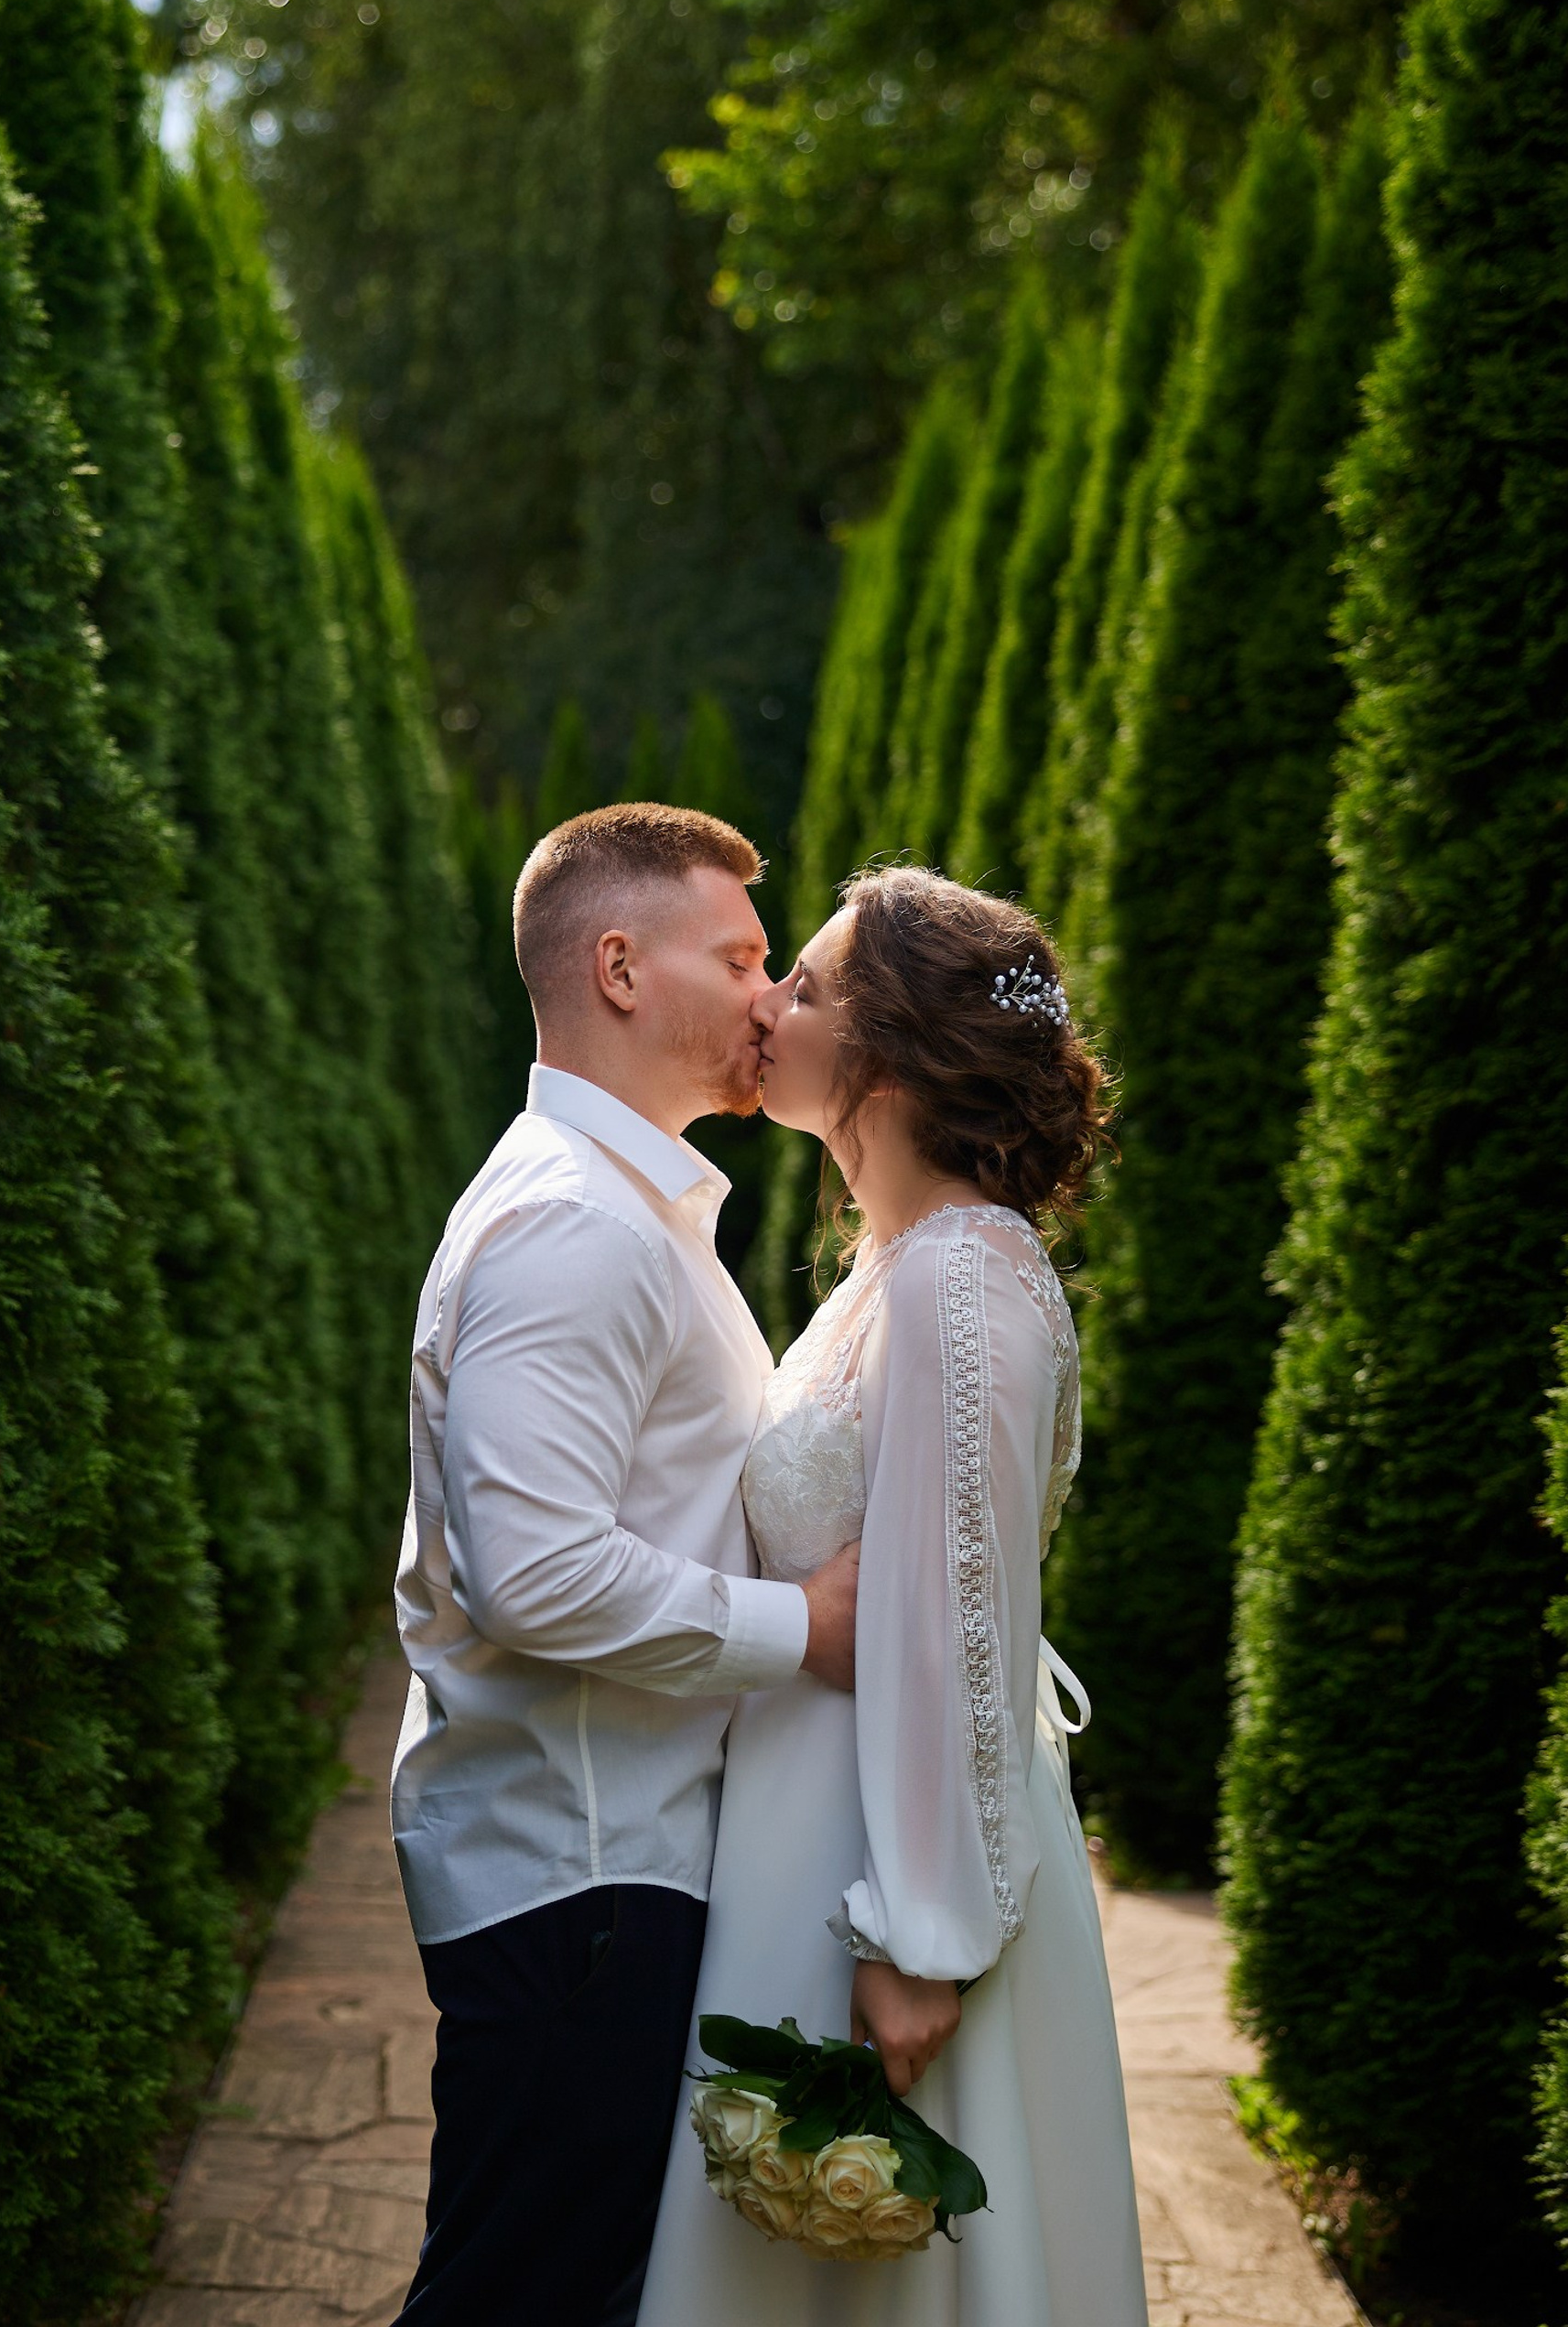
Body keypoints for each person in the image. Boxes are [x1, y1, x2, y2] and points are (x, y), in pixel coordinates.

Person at [638, 863, 1148, 2324]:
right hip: (814, 1817)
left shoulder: (958, 1283)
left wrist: (921, 1943)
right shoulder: (893, 1271)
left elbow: (963, 1629)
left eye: (803, 980)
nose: (768, 1001)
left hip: (888, 1860)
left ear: (891, 1040)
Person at [389, 804, 864, 2326]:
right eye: (739, 955)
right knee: (518, 2297)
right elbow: (533, 1574)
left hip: (610, 1864)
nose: (770, 994)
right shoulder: (575, 1226)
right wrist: (802, 1627)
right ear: (618, 966)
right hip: (580, 1877)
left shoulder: (631, 1208)